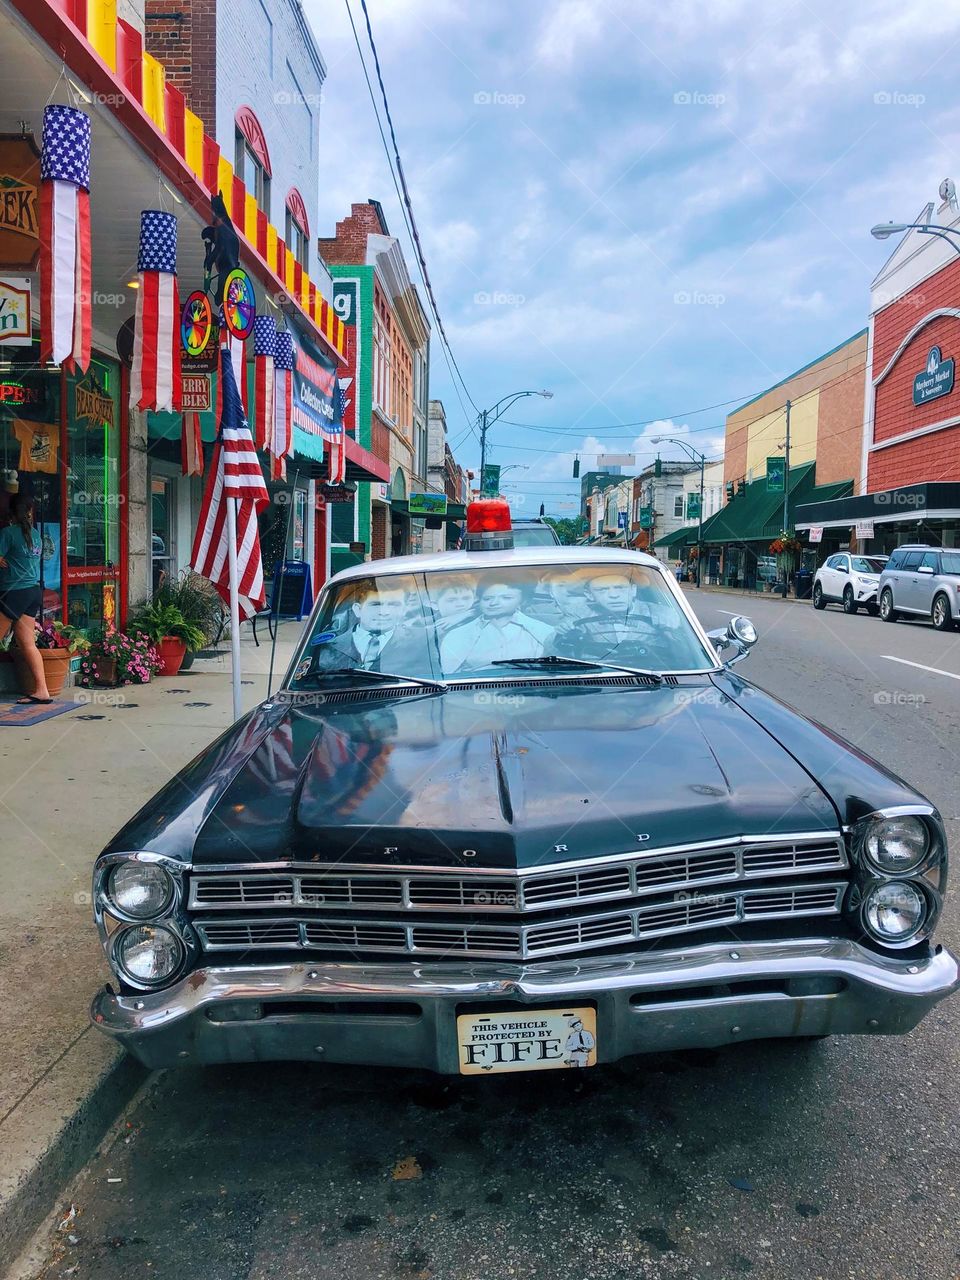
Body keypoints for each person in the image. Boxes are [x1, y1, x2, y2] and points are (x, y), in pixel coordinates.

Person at [310, 582, 432, 675]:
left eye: (394, 605)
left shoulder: (420, 643)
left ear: (403, 610)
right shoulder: (329, 645)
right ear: (357, 610)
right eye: (376, 604)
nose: (384, 612)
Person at [0, 494, 51, 703]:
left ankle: (41, 691)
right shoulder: (36, 535)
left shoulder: (8, 533)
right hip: (32, 591)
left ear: (10, 513)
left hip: (13, 592)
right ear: (29, 511)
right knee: (27, 643)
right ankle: (42, 691)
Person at [440, 579, 554, 673]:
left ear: (522, 601)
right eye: (487, 598)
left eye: (506, 598)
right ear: (479, 601)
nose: (494, 603)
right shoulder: (459, 634)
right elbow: (448, 675)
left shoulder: (543, 630)